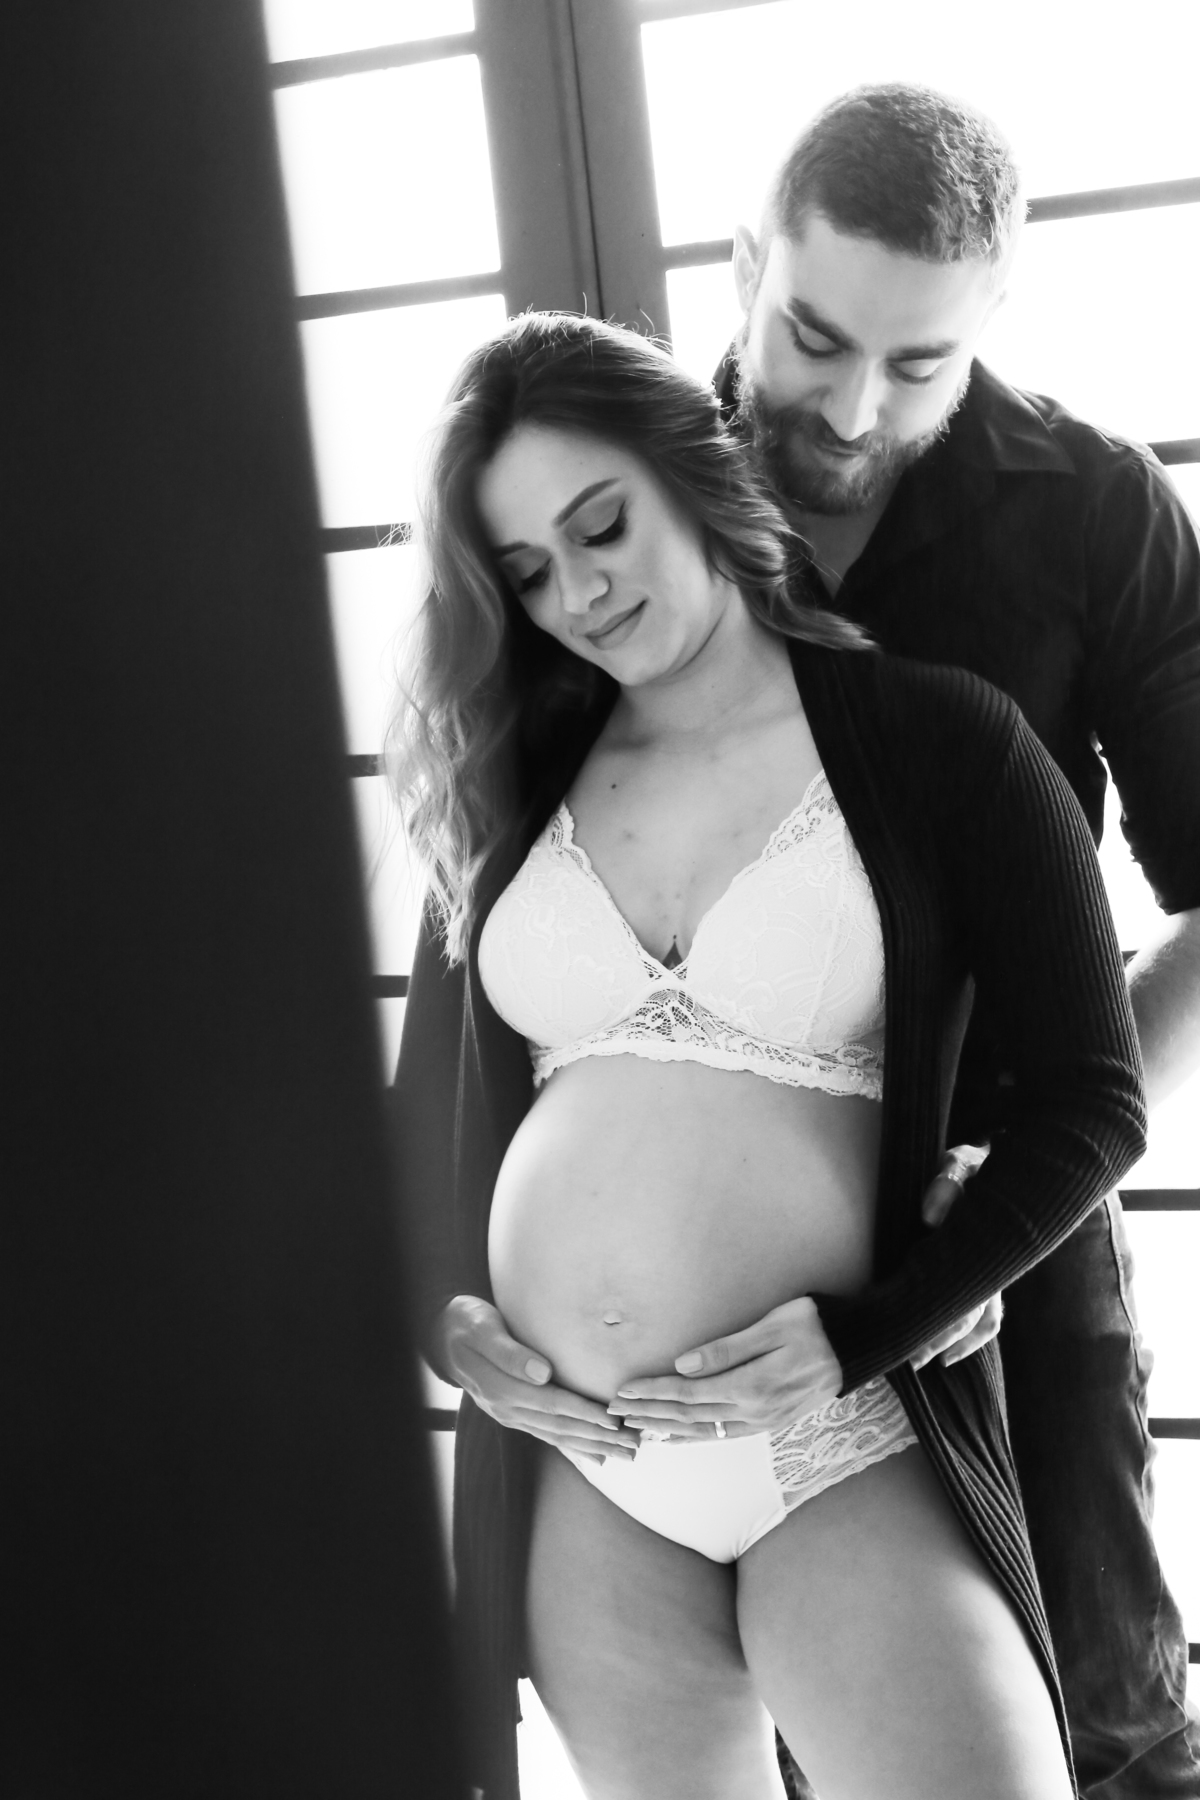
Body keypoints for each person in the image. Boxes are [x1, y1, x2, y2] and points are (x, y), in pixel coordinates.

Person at [389, 310, 1146, 1800]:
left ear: (695, 471)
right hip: (594, 1477)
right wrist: (449, 1328)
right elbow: (411, 1141)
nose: (579, 591)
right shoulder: (504, 801)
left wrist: (875, 1331)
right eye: (526, 571)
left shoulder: (945, 739)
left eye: (601, 525)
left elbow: (1095, 1101)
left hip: (840, 1437)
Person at [715, 82, 1200, 1797]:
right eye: (814, 338)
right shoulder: (628, 499)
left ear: (991, 319)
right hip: (726, 1251)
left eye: (918, 365)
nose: (853, 408)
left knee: (1108, 1730)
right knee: (812, 1749)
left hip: (1016, 1234)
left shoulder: (1097, 509)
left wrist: (1028, 1174)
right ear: (747, 267)